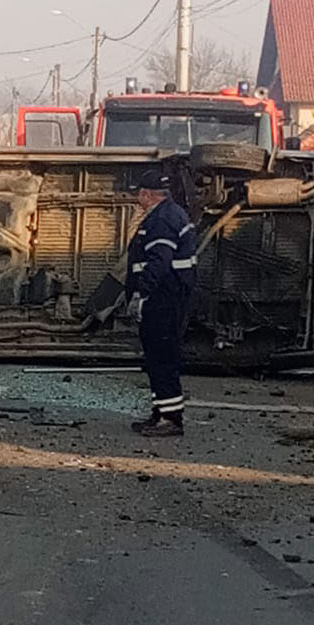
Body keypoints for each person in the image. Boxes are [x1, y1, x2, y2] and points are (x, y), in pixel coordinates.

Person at [125, 168, 197, 438]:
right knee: (159, 358)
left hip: (163, 299)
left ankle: (169, 419)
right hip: (168, 297)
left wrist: (140, 292)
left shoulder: (162, 219)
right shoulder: (171, 213)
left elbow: (159, 260)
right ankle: (162, 413)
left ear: (146, 194)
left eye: (139, 194)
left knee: (161, 358)